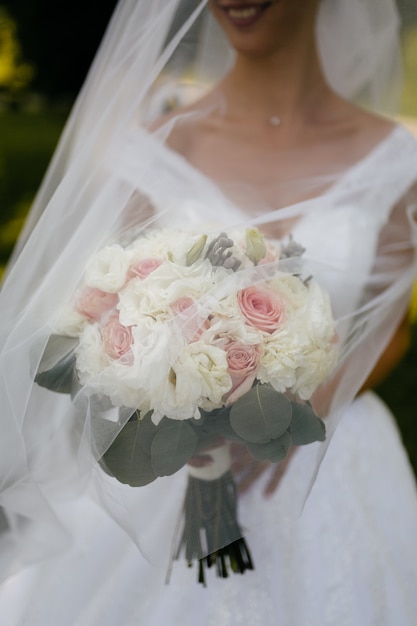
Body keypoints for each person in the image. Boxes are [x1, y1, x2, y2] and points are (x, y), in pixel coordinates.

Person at [0, 0, 417, 624]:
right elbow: (95, 315)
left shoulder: (396, 162)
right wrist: (165, 397)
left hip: (326, 464)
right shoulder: (149, 152)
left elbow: (388, 330)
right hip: (165, 469)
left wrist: (304, 408)